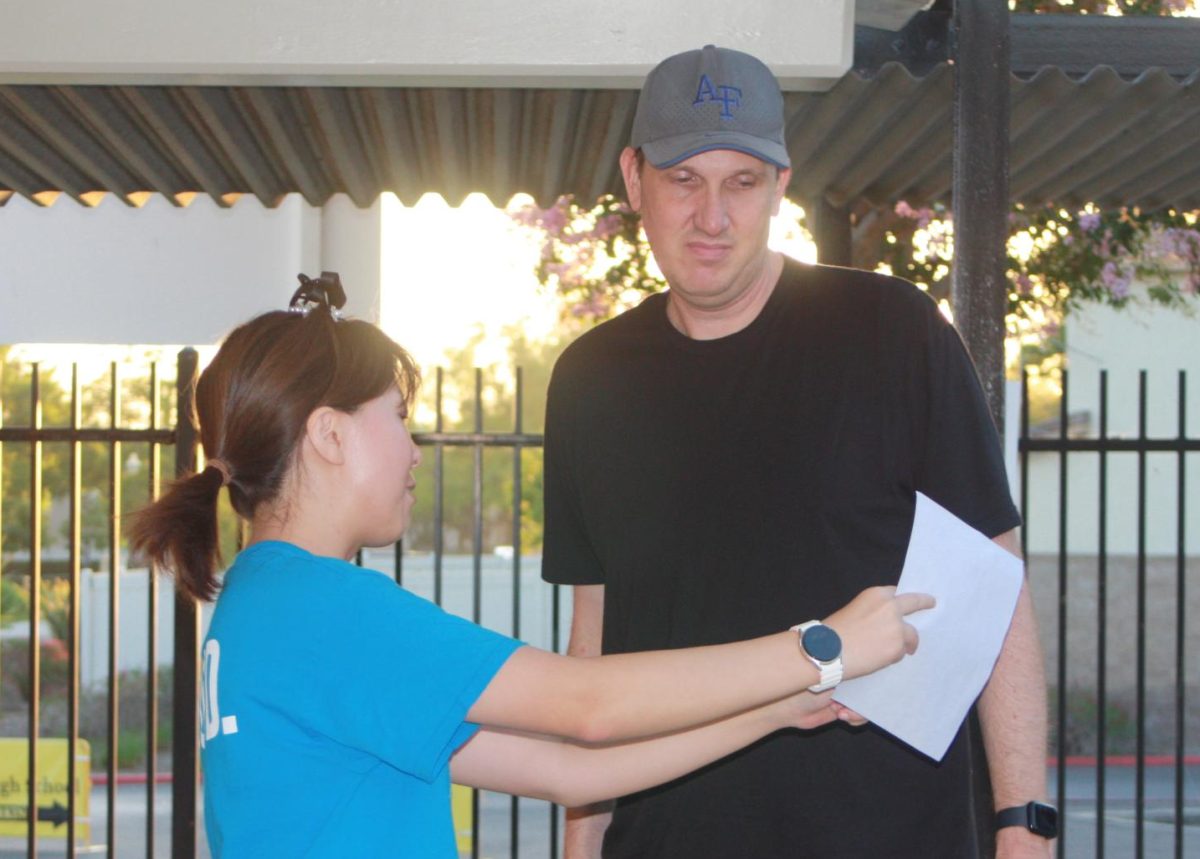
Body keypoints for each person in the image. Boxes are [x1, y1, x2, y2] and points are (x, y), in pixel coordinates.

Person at [128, 274, 932, 858]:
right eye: (399, 418)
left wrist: (777, 707)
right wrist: (822, 646)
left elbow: (568, 769)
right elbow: (587, 705)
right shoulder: (325, 608)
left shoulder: (264, 603)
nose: (414, 449)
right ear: (331, 434)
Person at [541, 45, 1054, 859]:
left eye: (742, 182)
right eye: (684, 180)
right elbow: (597, 639)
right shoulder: (588, 380)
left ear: (781, 185)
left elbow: (996, 587)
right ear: (634, 178)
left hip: (886, 838)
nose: (713, 217)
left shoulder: (895, 333)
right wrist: (583, 841)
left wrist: (1024, 827)